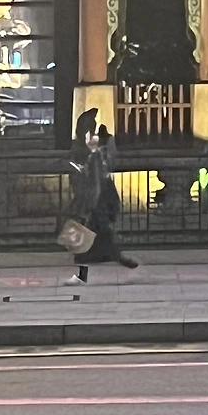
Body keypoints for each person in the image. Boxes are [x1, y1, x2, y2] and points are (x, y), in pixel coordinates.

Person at [65, 108, 137, 284]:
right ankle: (114, 257)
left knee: (96, 233)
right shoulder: (82, 151)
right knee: (93, 234)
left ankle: (113, 257)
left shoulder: (92, 151)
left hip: (97, 197)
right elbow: (81, 176)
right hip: (91, 198)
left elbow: (101, 174)